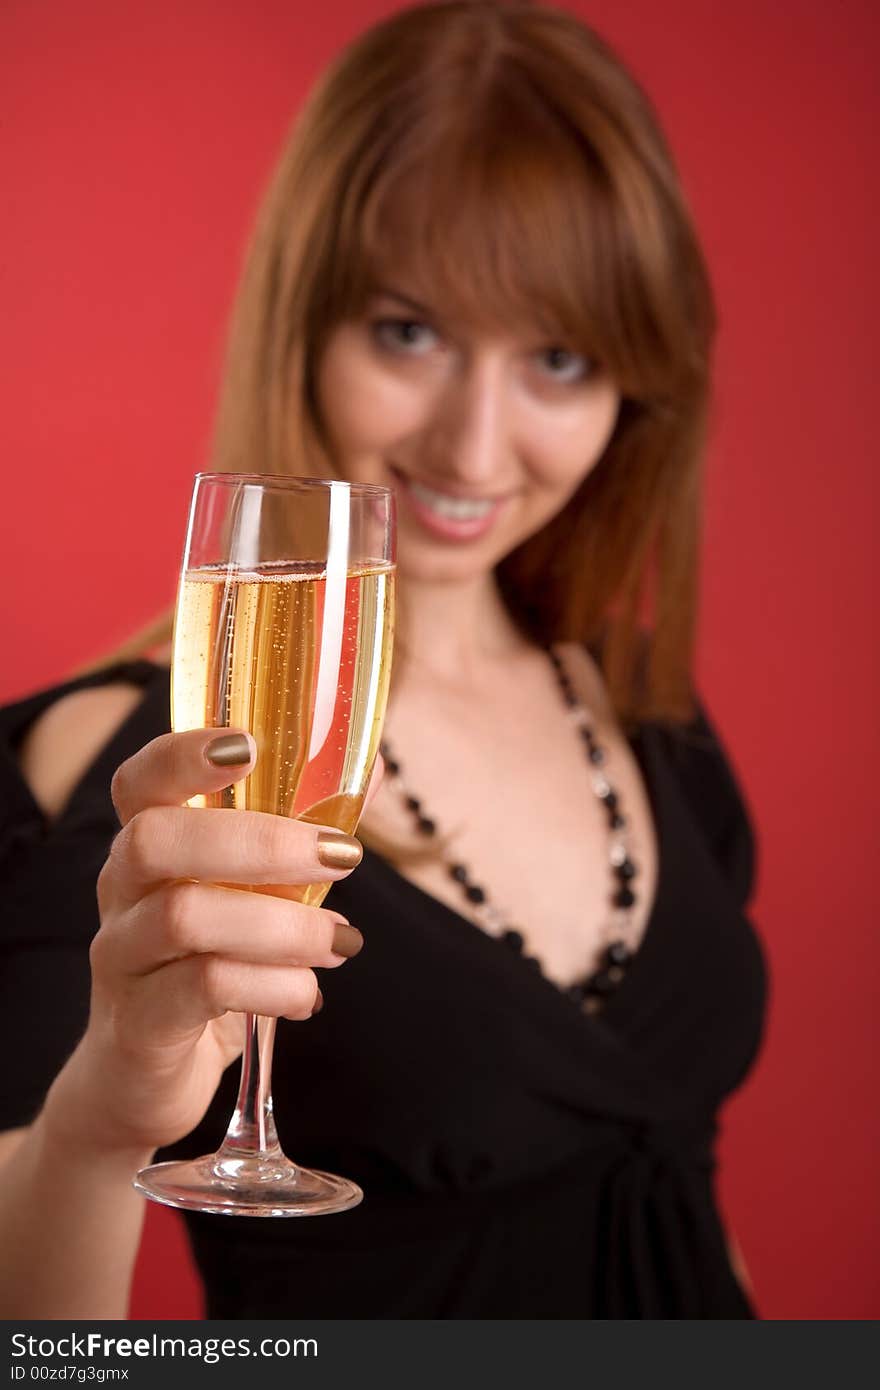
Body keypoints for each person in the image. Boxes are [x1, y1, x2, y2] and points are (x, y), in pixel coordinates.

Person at [0, 0, 767, 1318]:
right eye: (410, 332)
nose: (475, 449)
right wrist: (98, 1121)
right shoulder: (132, 760)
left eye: (560, 359)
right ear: (305, 323)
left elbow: (680, 1202)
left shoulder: (647, 716)